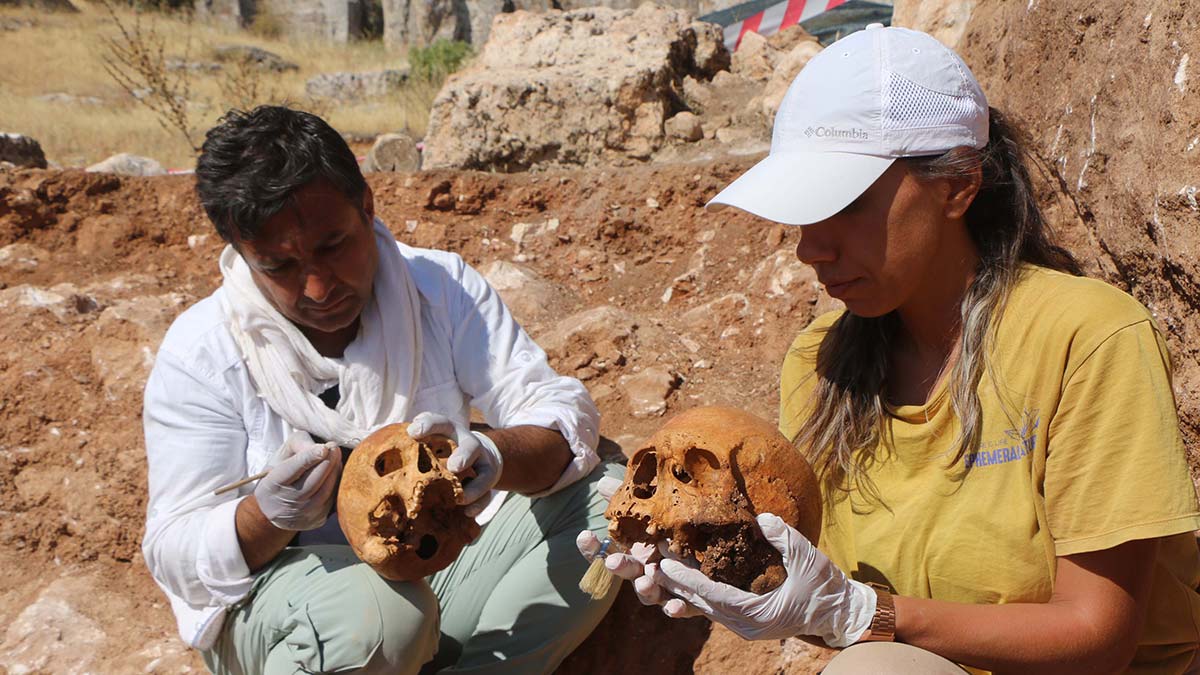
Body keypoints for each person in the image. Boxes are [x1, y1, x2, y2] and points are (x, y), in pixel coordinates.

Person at [579, 24, 1200, 674]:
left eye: (844, 204)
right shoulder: (817, 365)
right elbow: (833, 603)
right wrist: (725, 569)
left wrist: (866, 614)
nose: (810, 248)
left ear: (958, 184)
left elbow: (1098, 632)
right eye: (801, 211)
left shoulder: (1087, 337)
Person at [142, 105, 618, 675]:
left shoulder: (441, 290)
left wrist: (491, 453)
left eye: (332, 245)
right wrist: (269, 515)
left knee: (612, 504)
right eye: (279, 266)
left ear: (367, 204)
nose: (316, 288)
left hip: (434, 576)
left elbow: (561, 418)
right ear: (243, 254)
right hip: (284, 612)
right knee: (383, 617)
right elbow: (172, 551)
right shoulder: (203, 351)